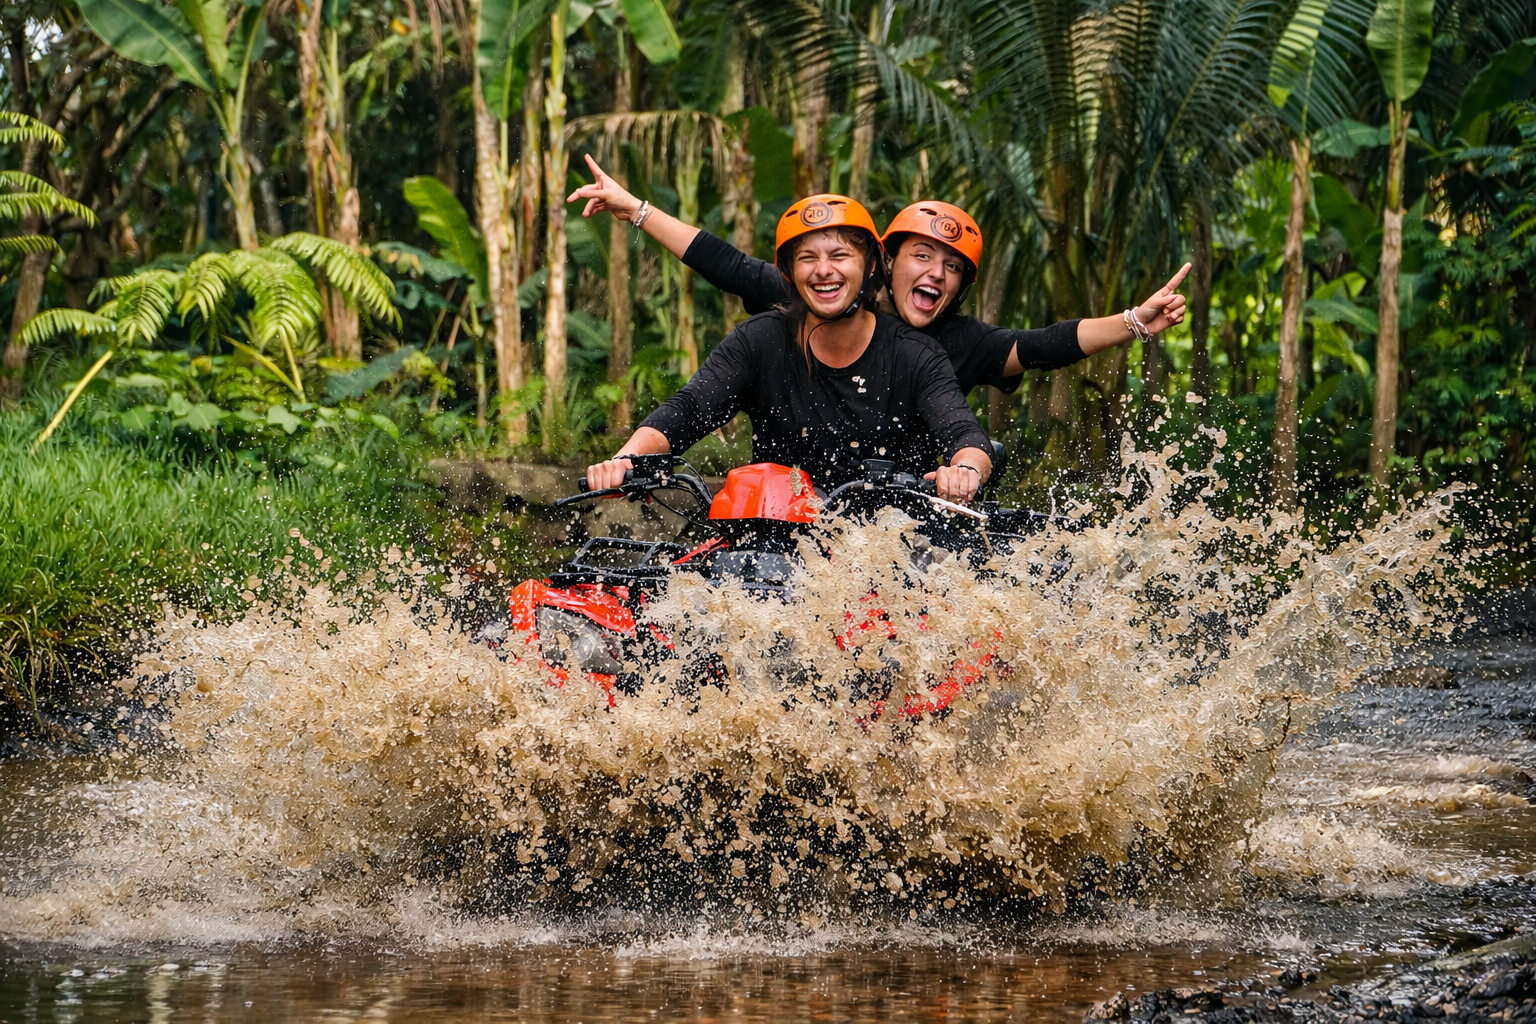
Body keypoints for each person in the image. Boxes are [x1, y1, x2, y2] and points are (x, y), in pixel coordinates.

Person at [568, 153, 1190, 399]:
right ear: (886, 264)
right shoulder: (823, 294)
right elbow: (728, 264)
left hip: (904, 525)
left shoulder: (963, 344)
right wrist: (637, 210)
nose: (935, 275)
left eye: (951, 269)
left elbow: (1046, 344)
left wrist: (1136, 321)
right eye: (921, 258)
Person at [585, 194, 994, 503]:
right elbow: (689, 409)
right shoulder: (759, 340)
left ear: (871, 266)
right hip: (770, 535)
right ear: (788, 272)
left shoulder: (916, 354)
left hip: (884, 546)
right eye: (808, 258)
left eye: (839, 255)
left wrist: (964, 470)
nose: (823, 270)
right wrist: (626, 459)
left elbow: (965, 435)